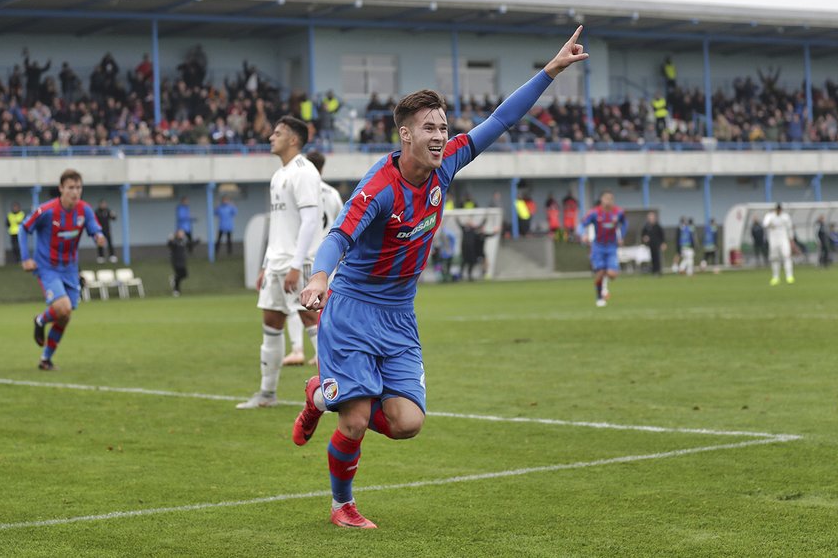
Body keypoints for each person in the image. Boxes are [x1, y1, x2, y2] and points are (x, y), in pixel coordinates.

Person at [292, 28, 587, 529]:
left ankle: (322, 391)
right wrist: (319, 278)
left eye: (444, 127)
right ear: (405, 134)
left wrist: (551, 71)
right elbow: (339, 235)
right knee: (357, 420)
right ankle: (343, 503)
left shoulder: (446, 164)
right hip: (352, 309)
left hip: (399, 315)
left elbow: (501, 120)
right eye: (429, 127)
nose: (439, 136)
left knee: (408, 424)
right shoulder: (378, 189)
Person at [237, 117, 323, 408]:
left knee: (312, 320)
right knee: (271, 323)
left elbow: (311, 221)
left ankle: (337, 391)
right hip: (276, 263)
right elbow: (279, 225)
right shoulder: (279, 175)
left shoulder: (304, 172)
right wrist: (265, 264)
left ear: (294, 140)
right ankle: (267, 394)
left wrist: (297, 265)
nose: (271, 136)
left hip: (299, 262)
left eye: (278, 133)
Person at [18, 169, 106, 370]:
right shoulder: (47, 210)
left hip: (70, 270)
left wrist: (99, 236)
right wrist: (25, 259)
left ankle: (45, 359)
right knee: (63, 308)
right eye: (71, 187)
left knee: (65, 316)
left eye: (78, 187)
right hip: (48, 268)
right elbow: (24, 228)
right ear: (61, 189)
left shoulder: (85, 210)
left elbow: (94, 228)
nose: (75, 192)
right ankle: (40, 321)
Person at [284, 150, 344, 367]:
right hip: (330, 257)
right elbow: (342, 225)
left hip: (306, 256)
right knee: (327, 308)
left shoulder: (300, 192)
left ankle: (300, 350)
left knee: (295, 303)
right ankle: (328, 351)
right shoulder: (332, 193)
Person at [581, 190, 627, 306]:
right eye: (606, 198)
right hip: (598, 246)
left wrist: (621, 235)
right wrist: (583, 234)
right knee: (600, 272)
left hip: (612, 246)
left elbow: (625, 223)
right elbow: (581, 225)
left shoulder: (619, 212)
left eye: (611, 199)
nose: (608, 201)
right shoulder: (594, 213)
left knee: (612, 274)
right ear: (601, 200)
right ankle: (599, 296)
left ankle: (604, 287)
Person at [763, 203, 795, 285]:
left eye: (779, 209)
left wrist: (791, 240)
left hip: (783, 239)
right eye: (777, 209)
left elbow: (790, 228)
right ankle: (775, 277)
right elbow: (765, 224)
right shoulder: (770, 216)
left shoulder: (785, 217)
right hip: (773, 240)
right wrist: (770, 224)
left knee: (787, 257)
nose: (778, 210)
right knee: (774, 258)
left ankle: (789, 276)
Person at [95, 199, 117, 264]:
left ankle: (112, 256)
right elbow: (94, 221)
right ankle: (101, 257)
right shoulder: (97, 212)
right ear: (100, 204)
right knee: (100, 243)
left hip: (107, 230)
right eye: (102, 204)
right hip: (100, 231)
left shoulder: (108, 211)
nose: (104, 205)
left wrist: (113, 215)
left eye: (105, 204)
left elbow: (114, 218)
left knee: (110, 243)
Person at [167, 229, 188, 296]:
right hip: (176, 262)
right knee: (179, 275)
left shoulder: (183, 241)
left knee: (184, 275)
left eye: (182, 233)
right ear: (177, 234)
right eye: (180, 233)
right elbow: (170, 245)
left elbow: (190, 244)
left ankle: (174, 279)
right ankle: (176, 290)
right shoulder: (175, 241)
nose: (182, 234)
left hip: (182, 261)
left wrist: (197, 240)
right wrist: (170, 240)